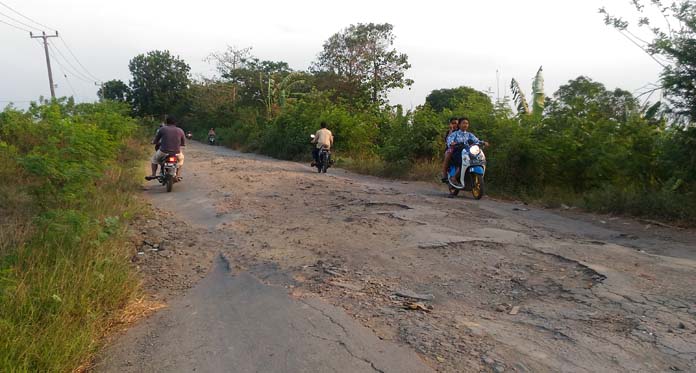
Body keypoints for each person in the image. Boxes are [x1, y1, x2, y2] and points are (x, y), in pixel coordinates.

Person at [441, 117, 488, 183]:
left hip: (468, 152)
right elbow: (449, 140)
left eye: (467, 123)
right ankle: (453, 177)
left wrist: (483, 142)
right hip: (458, 151)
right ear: (459, 125)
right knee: (462, 162)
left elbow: (476, 140)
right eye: (463, 123)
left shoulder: (470, 134)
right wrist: (452, 143)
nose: (465, 125)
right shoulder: (455, 134)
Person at [146, 115, 186, 181]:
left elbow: (156, 140)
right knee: (181, 161)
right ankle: (178, 175)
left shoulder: (162, 129)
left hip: (163, 152)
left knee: (154, 160)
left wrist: (153, 142)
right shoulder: (180, 130)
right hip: (176, 153)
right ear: (175, 123)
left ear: (166, 122)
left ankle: (153, 174)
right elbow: (183, 143)